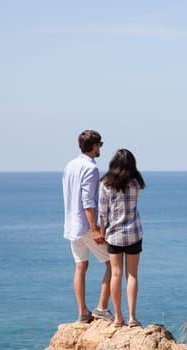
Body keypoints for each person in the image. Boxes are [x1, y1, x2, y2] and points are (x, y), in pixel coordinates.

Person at [63, 130, 113, 323]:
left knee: (80, 266)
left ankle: (83, 313)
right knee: (113, 263)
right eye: (99, 144)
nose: (100, 147)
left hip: (72, 225)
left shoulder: (70, 165)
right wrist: (94, 228)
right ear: (93, 146)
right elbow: (88, 201)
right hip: (85, 225)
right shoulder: (90, 168)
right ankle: (102, 307)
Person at [98, 149, 146, 328]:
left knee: (115, 274)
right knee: (132, 275)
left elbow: (103, 213)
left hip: (114, 234)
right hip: (134, 232)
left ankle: (118, 317)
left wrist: (101, 233)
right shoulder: (136, 183)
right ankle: (133, 318)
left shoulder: (105, 184)